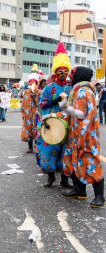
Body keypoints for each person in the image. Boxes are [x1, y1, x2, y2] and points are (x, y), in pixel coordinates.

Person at [56, 66, 104, 208]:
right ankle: (79, 191)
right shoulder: (79, 90)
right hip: (77, 134)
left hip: (86, 136)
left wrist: (66, 108)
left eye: (72, 73)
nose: (70, 76)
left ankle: (100, 196)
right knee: (74, 160)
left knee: (90, 161)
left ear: (80, 75)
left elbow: (81, 114)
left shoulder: (83, 92)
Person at [37, 42, 72, 188]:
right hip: (52, 124)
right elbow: (41, 104)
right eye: (60, 70)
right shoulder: (49, 88)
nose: (62, 73)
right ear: (55, 72)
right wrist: (54, 100)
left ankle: (64, 179)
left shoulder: (71, 88)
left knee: (66, 153)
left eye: (65, 71)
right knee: (49, 150)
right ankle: (51, 177)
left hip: (67, 124)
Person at [21, 66, 41, 153]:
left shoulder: (39, 92)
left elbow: (41, 104)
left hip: (36, 114)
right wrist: (23, 113)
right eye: (31, 82)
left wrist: (35, 97)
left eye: (34, 82)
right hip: (28, 115)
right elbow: (23, 104)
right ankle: (30, 147)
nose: (32, 83)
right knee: (28, 130)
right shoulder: (26, 92)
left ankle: (37, 146)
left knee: (36, 130)